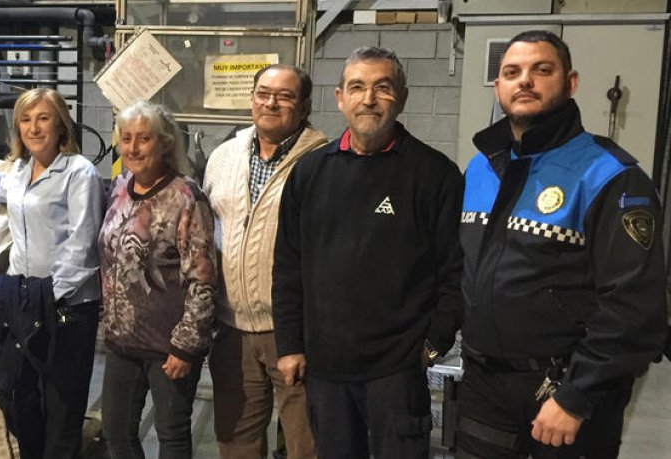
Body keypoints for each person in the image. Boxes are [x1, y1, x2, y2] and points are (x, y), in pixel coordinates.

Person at [457, 30, 667, 459]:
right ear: (498, 87)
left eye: (542, 70)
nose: (525, 81)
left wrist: (576, 395)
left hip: (565, 390)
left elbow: (634, 306)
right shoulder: (480, 168)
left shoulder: (611, 177)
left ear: (570, 82)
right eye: (512, 72)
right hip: (484, 385)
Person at [272, 45, 463, 459]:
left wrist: (432, 344)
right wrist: (289, 345)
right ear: (339, 97)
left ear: (403, 97)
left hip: (397, 372)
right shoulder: (310, 172)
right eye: (356, 87)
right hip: (326, 370)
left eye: (383, 87)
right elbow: (288, 265)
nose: (369, 99)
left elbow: (454, 271)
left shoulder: (435, 175)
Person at [0, 87, 104, 459]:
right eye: (26, 120)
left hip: (67, 308)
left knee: (62, 407)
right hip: (26, 301)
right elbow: (5, 189)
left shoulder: (80, 173)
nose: (34, 127)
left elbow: (82, 248)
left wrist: (44, 298)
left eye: (43, 118)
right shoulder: (20, 169)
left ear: (61, 124)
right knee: (17, 397)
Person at [203, 64, 326, 459]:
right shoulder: (224, 156)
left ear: (304, 106)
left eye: (285, 96)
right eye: (262, 93)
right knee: (236, 441)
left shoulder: (324, 161)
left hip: (296, 332)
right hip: (231, 329)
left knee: (305, 444)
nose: (270, 103)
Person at [98, 101, 217, 459]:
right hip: (121, 341)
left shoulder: (186, 198)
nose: (133, 148)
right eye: (127, 138)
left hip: (169, 347)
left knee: (172, 437)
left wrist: (184, 346)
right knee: (116, 435)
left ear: (164, 143)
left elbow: (202, 279)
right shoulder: (120, 190)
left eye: (144, 139)